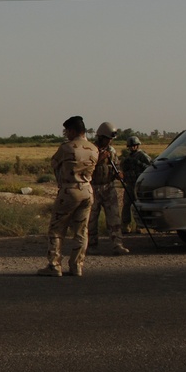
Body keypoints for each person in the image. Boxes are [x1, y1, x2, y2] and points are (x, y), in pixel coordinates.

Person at [37, 116, 99, 277]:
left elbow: (54, 164)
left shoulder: (66, 148)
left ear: (72, 130)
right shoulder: (94, 149)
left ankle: (54, 265)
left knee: (57, 229)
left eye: (67, 131)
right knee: (81, 230)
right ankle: (77, 265)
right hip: (87, 190)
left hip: (69, 190)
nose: (66, 134)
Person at [87, 122, 129, 255]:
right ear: (100, 137)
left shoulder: (111, 151)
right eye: (107, 138)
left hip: (109, 187)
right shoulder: (91, 149)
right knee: (91, 218)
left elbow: (116, 165)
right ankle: (91, 245)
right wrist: (99, 159)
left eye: (111, 139)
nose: (109, 141)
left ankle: (117, 244)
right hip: (93, 187)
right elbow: (87, 167)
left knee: (114, 217)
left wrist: (119, 174)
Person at [120, 136, 152, 234]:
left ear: (138, 146)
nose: (132, 148)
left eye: (134, 145)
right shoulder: (128, 157)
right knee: (126, 205)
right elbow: (124, 170)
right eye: (130, 146)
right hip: (129, 184)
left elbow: (150, 168)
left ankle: (140, 226)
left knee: (139, 206)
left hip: (139, 185)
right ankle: (125, 225)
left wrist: (139, 163)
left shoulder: (142, 156)